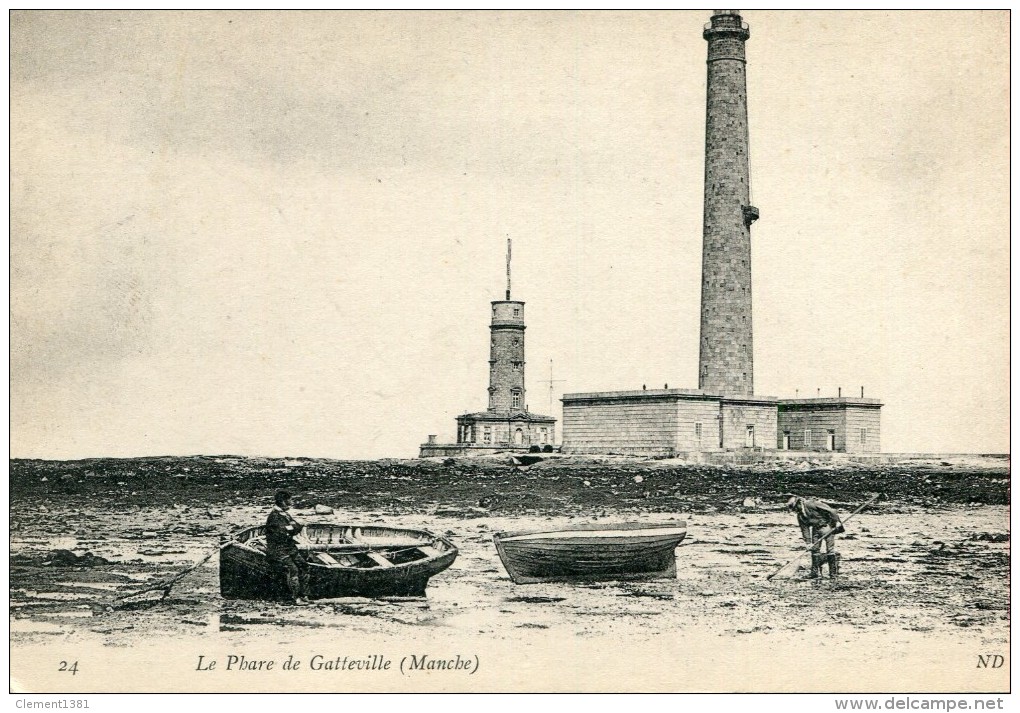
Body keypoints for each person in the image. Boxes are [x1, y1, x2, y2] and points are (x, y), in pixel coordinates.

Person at [266, 490, 310, 605]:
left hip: (289, 547)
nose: (291, 502)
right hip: (278, 549)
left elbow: (295, 527)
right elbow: (284, 532)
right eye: (289, 500)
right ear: (283, 501)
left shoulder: (284, 514)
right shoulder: (274, 516)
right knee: (292, 569)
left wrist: (291, 528)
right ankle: (294, 598)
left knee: (304, 566)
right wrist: (292, 528)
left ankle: (303, 595)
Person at [786, 495, 844, 578]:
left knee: (830, 550)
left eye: (795, 508)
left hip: (827, 526)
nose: (795, 510)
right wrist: (808, 542)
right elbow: (804, 529)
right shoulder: (800, 516)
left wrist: (837, 521)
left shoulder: (811, 504)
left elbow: (832, 511)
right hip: (815, 530)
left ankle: (833, 574)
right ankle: (814, 573)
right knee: (814, 550)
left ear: (798, 503)